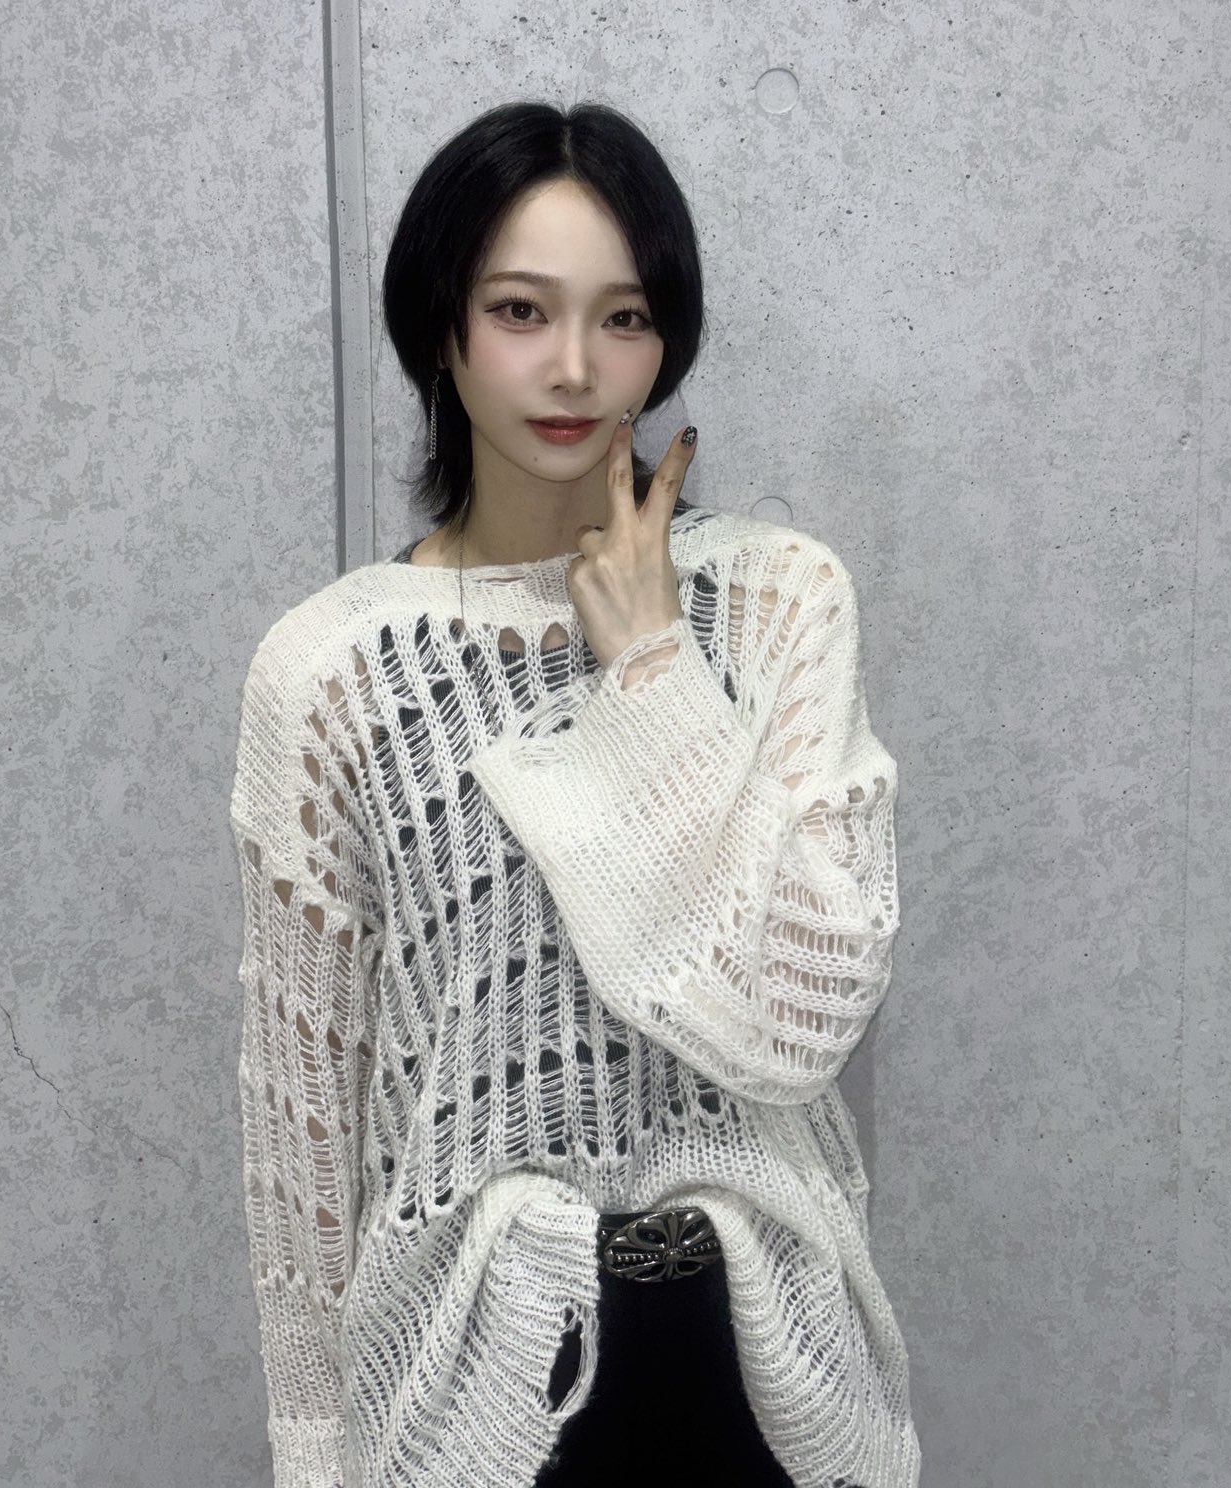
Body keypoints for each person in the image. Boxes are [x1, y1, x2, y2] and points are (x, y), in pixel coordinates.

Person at [229, 100, 919, 1488]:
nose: (574, 367)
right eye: (520, 310)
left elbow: (809, 1011)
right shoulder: (334, 671)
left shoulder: (780, 601)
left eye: (624, 317)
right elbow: (307, 1137)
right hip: (470, 1384)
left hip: (762, 1369)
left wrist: (654, 669)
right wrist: (312, 1457)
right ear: (441, 327)